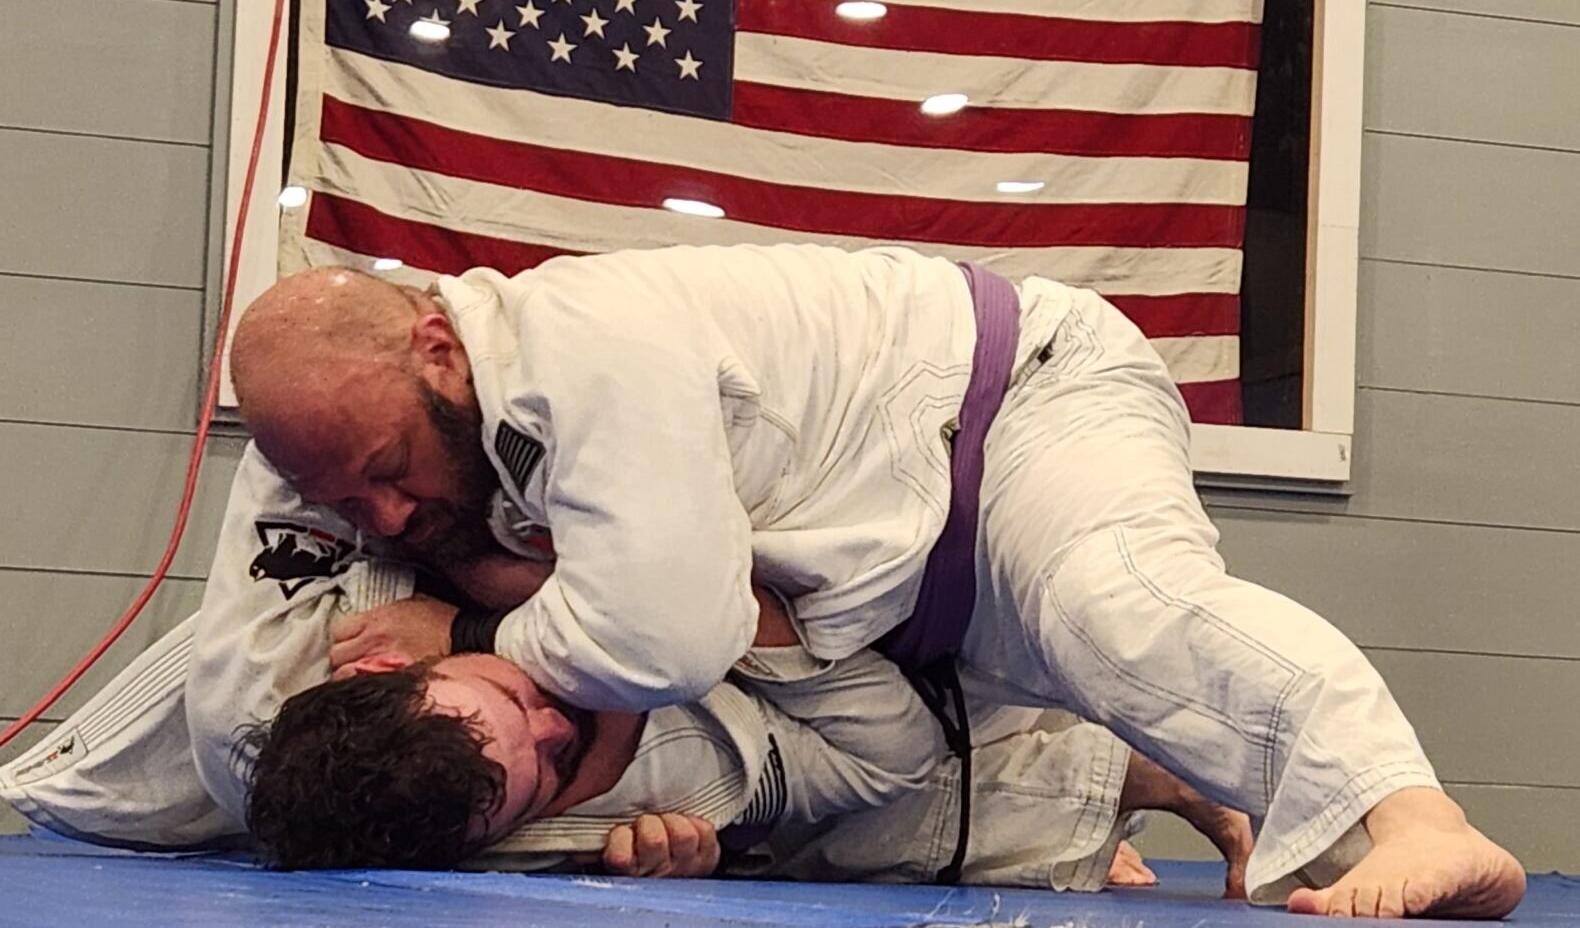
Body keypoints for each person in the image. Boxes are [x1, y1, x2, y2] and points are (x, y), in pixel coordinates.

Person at [202, 245, 1524, 918]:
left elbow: (662, 635)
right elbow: (226, 721)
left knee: (1114, 608)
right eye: (342, 500)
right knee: (1015, 739)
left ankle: (1422, 820)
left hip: (1013, 410)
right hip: (909, 607)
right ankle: (1305, 831)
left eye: (381, 471)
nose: (381, 516)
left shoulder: (574, 342)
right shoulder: (373, 449)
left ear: (436, 344)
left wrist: (473, 618)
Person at [243, 579, 1251, 891]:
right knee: (845, 829)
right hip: (767, 743)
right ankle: (1129, 794)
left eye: (509, 703)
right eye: (541, 766)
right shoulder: (476, 829)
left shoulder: (340, 613)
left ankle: (1161, 777)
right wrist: (643, 856)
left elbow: (84, 779)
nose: (556, 723)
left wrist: (476, 623)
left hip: (775, 598)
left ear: (389, 667)